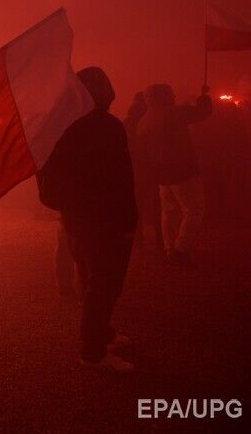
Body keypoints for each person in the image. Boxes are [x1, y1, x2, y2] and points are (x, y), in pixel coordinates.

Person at [38, 67, 138, 373]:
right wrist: (127, 220)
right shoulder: (107, 126)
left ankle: (102, 335)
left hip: (77, 218)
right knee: (104, 284)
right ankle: (93, 351)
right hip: (106, 220)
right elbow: (120, 180)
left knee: (89, 278)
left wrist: (67, 206)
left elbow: (47, 176)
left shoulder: (60, 127)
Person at [136, 83, 211, 266]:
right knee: (195, 209)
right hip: (182, 170)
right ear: (165, 97)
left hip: (161, 173)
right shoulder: (174, 113)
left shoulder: (144, 120)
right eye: (171, 94)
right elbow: (202, 113)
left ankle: (169, 249)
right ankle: (180, 249)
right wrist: (204, 96)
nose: (174, 97)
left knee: (168, 211)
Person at [123, 92, 161, 253]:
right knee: (158, 206)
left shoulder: (127, 122)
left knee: (136, 206)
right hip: (153, 168)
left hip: (135, 170)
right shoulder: (151, 121)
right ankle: (161, 240)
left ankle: (137, 240)